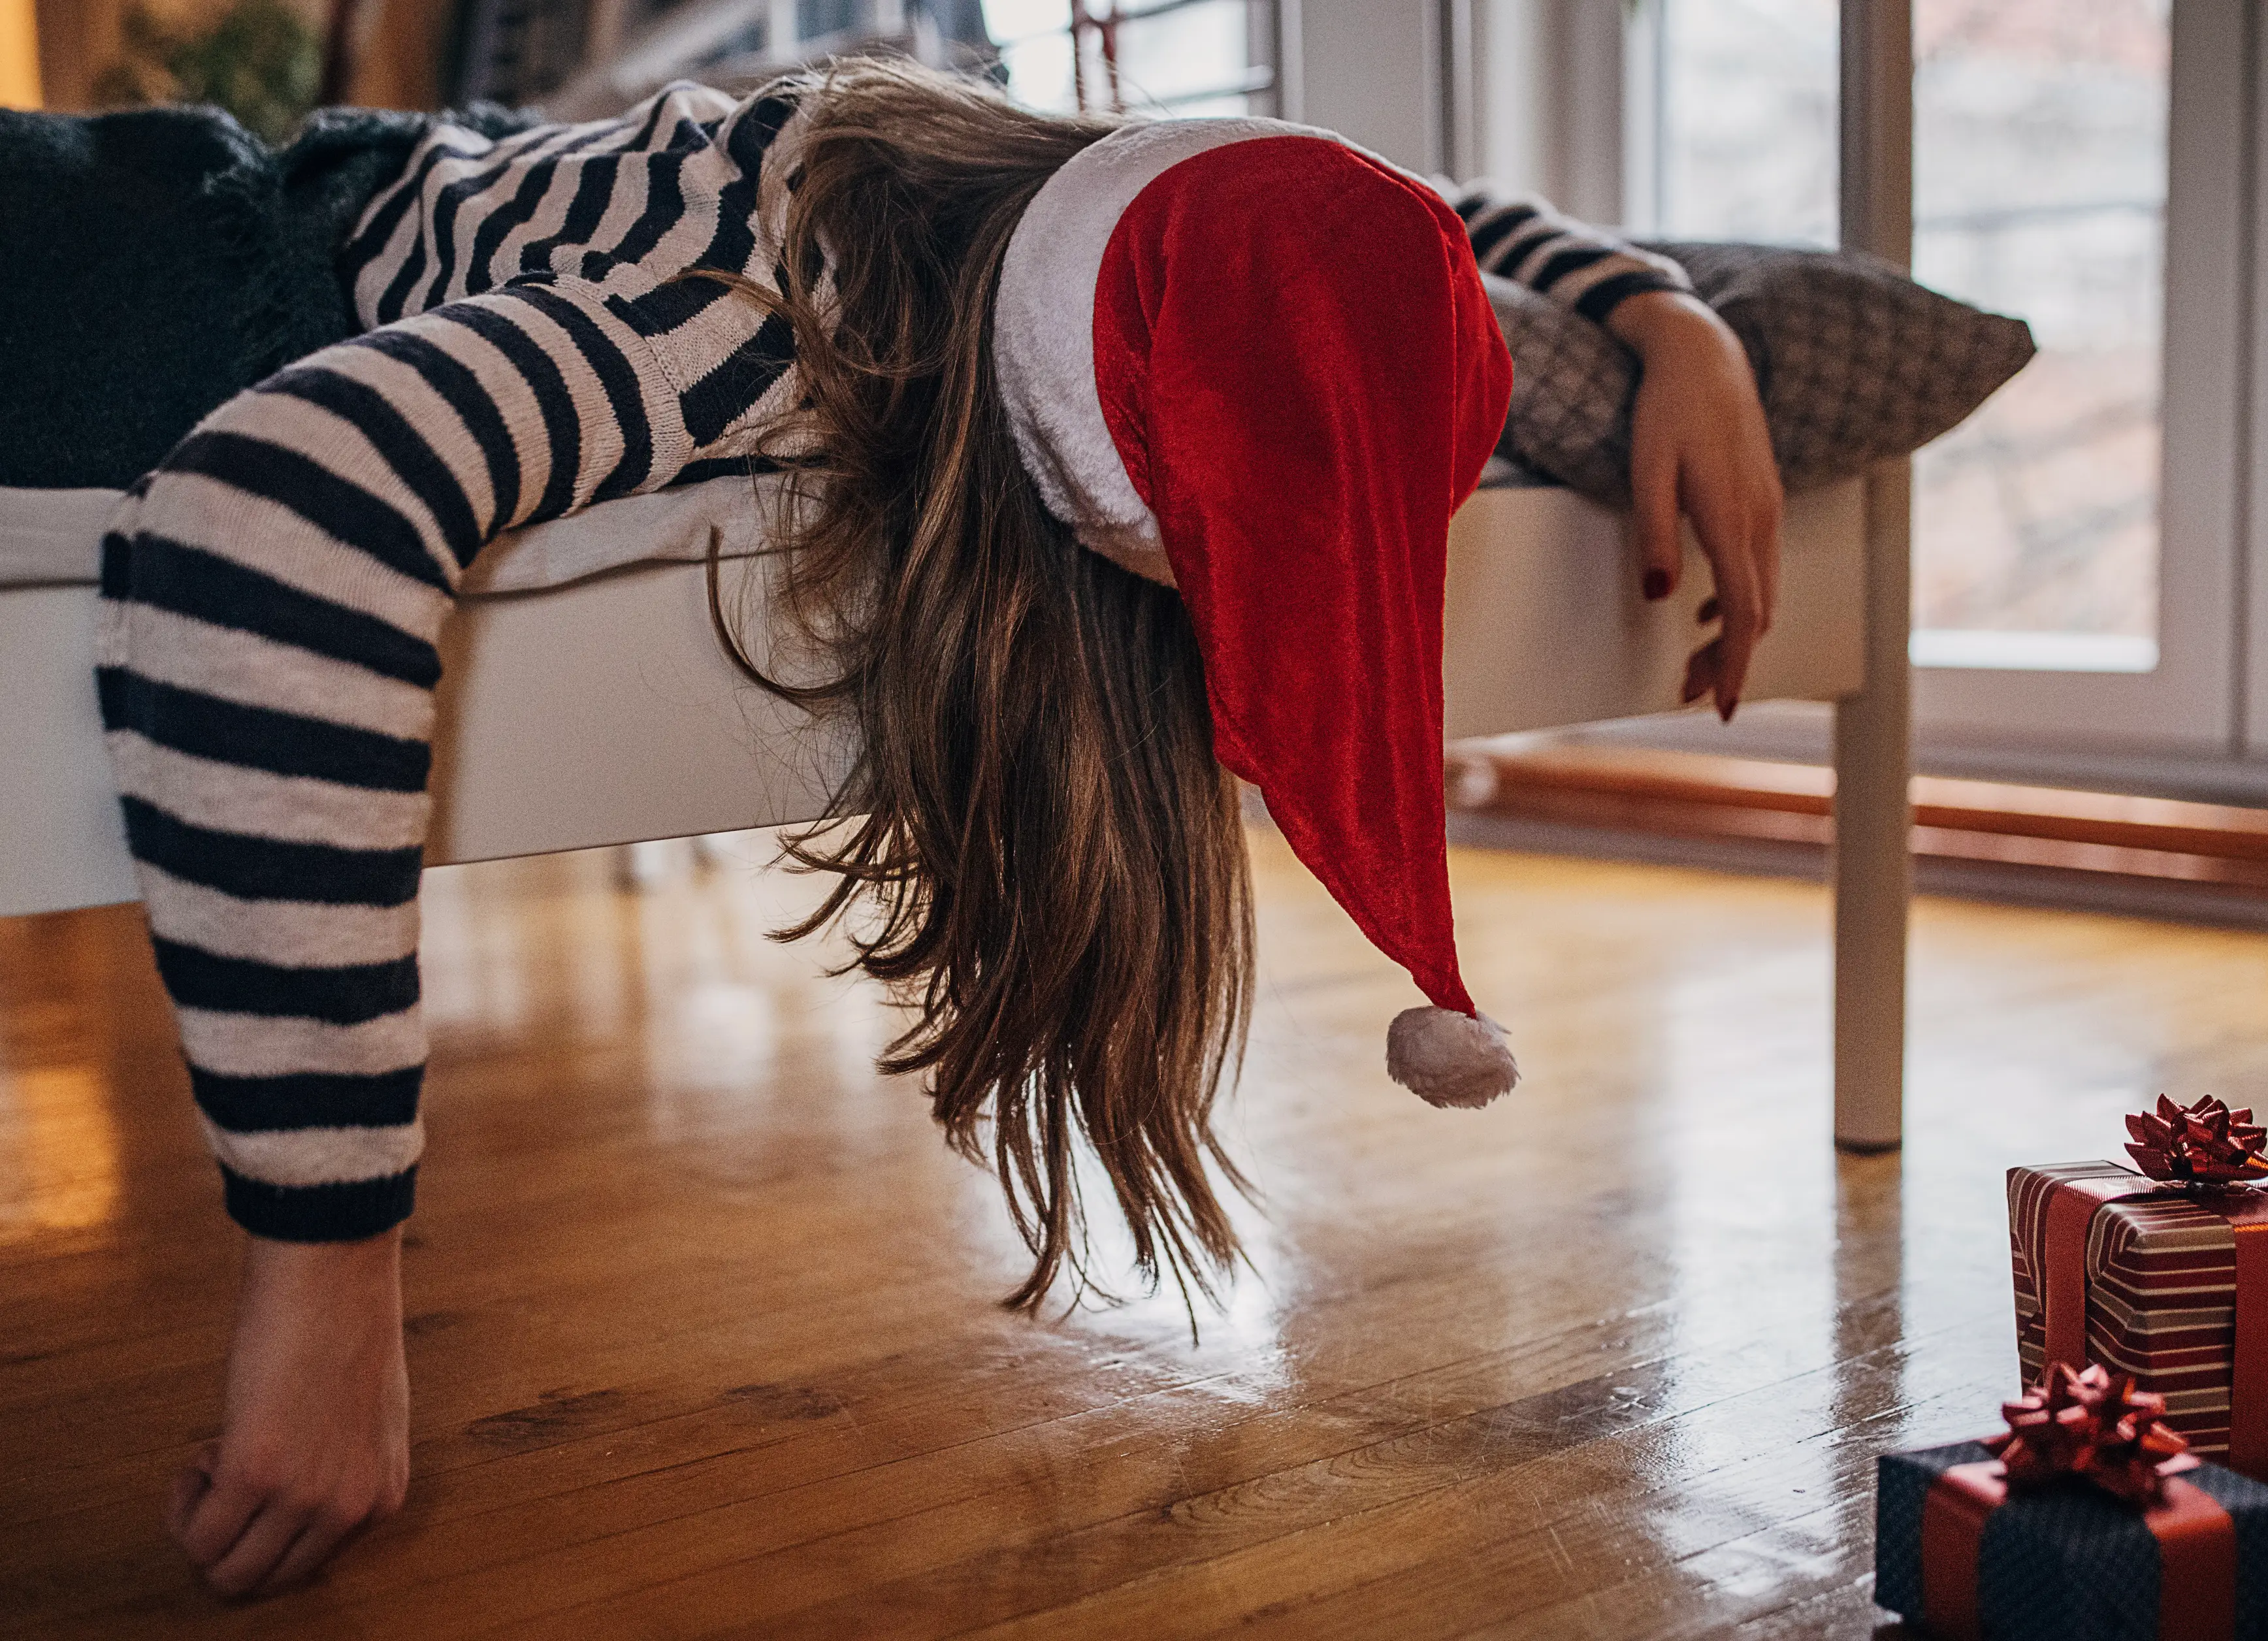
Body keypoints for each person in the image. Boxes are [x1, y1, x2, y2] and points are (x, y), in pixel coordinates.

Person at [56, 57, 1779, 1596]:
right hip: (141, 250)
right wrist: (328, 1274)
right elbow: (260, 517)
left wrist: (1667, 321)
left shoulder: (999, 164)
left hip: (437, 165)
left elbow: (1406, 219)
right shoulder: (741, 326)